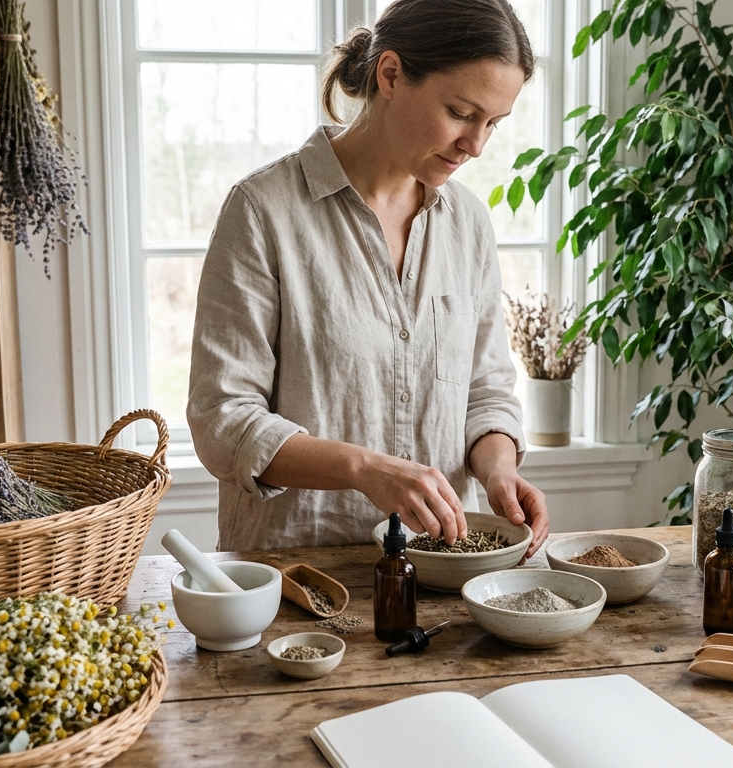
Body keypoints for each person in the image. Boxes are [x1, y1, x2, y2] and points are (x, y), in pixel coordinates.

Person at [187, 0, 549, 559]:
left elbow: (486, 391)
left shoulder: (469, 223)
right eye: (460, 112)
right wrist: (365, 469)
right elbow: (222, 419)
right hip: (297, 577)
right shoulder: (263, 212)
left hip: (439, 575)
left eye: (493, 124)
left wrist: (499, 473)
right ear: (390, 75)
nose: (476, 145)